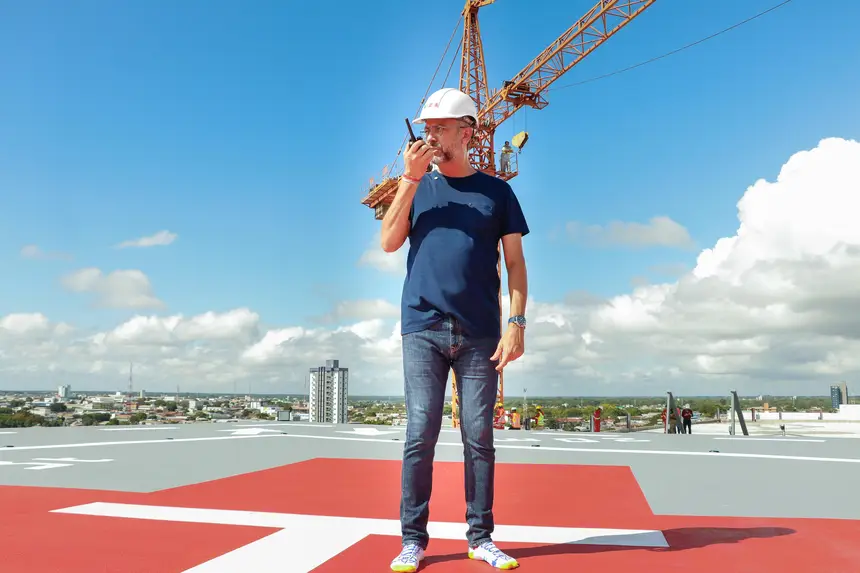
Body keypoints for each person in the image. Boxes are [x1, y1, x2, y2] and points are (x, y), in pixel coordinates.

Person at [381, 87, 530, 572]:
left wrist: (516, 323)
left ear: (467, 133)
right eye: (427, 128)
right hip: (422, 326)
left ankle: (480, 538)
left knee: (479, 437)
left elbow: (515, 264)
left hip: (481, 331)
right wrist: (409, 179)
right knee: (419, 433)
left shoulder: (498, 193)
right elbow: (388, 242)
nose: (431, 136)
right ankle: (413, 540)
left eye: (440, 128)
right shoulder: (416, 186)